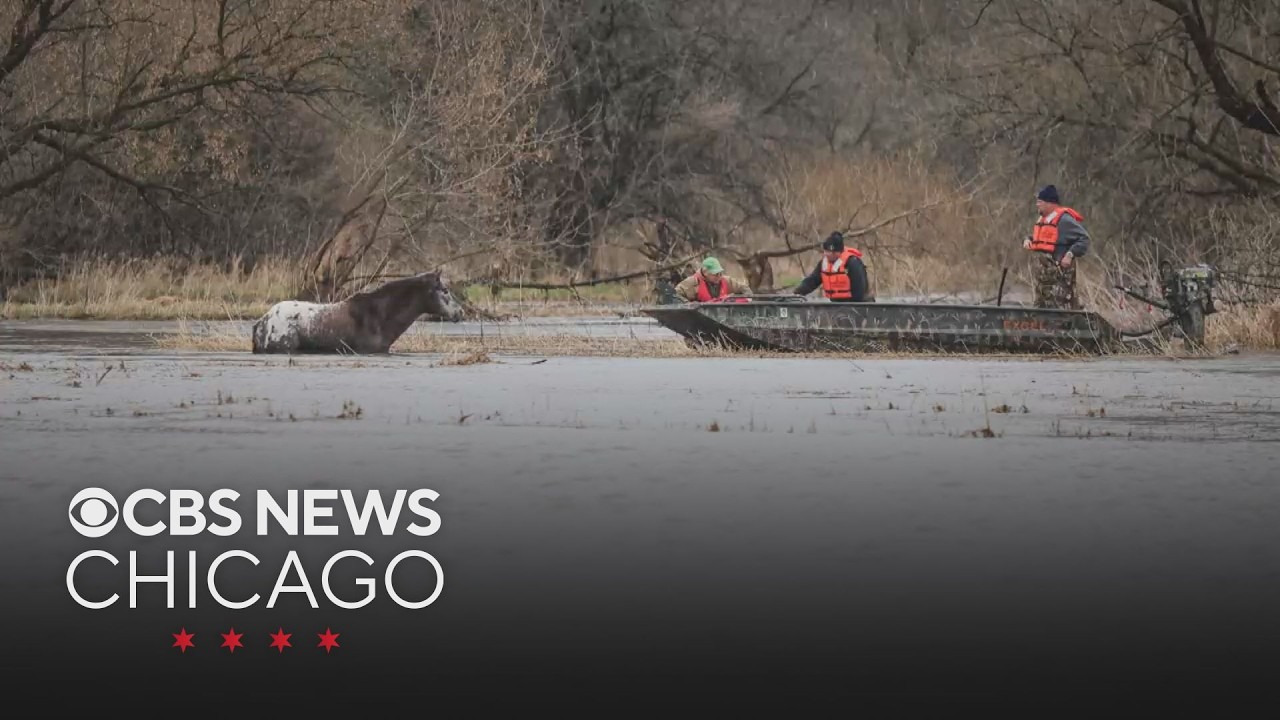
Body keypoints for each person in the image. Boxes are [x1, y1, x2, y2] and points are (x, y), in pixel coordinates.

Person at [1023, 184, 1089, 309]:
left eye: (1040, 202)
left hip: (1059, 282)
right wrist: (1027, 240)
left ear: (1050, 203)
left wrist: (1070, 254)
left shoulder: (1064, 220)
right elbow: (1040, 239)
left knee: (1060, 313)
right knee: (1040, 313)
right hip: (1043, 284)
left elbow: (1084, 239)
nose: (1037, 205)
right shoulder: (1043, 220)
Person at [793, 231, 870, 302]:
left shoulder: (853, 263)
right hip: (836, 305)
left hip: (858, 304)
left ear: (840, 252)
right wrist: (796, 294)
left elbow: (860, 291)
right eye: (827, 251)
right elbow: (812, 281)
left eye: (833, 252)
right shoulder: (824, 264)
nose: (829, 254)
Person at [675, 257, 752, 302]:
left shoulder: (726, 281)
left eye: (720, 273)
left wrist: (749, 298)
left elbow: (744, 288)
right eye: (715, 274)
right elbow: (675, 295)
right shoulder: (693, 282)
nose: (719, 276)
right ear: (705, 272)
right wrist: (689, 305)